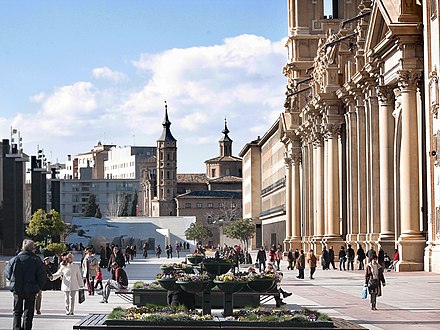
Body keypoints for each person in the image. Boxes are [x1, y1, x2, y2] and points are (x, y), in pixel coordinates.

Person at [4, 239, 47, 330]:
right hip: (31, 289)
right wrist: (38, 287)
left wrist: (13, 281)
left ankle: (16, 328)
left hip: (17, 288)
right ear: (32, 249)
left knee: (17, 311)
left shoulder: (15, 259)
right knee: (29, 311)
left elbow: (7, 273)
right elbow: (42, 276)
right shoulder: (36, 260)